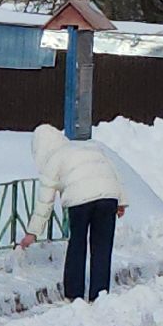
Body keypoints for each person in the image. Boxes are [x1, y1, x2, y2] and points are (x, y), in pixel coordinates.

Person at [17, 125, 128, 302]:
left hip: (80, 200)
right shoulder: (89, 147)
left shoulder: (54, 159)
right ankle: (99, 295)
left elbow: (45, 201)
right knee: (102, 247)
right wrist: (121, 201)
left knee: (77, 244)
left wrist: (32, 232)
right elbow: (113, 171)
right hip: (108, 197)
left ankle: (74, 293)